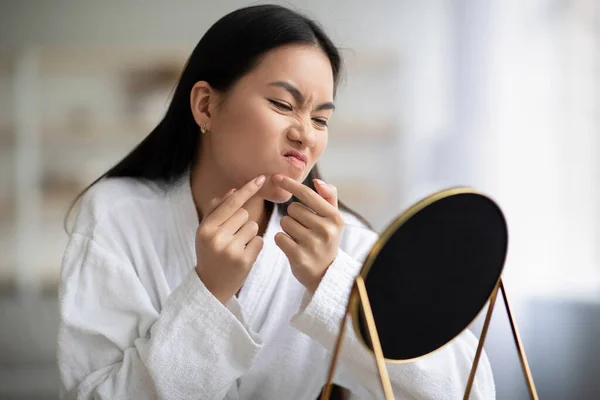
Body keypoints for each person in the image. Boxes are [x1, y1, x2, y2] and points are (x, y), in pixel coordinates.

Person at [57, 4, 495, 399]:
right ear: (206, 106)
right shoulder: (115, 216)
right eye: (283, 104)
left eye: (321, 117)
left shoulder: (341, 245)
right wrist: (210, 291)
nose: (305, 132)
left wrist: (333, 282)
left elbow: (468, 389)